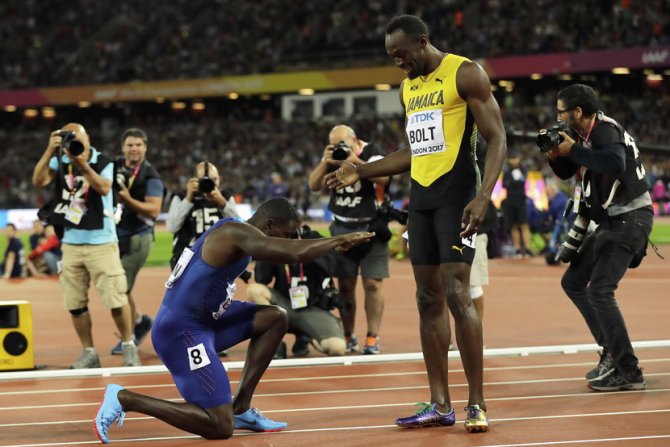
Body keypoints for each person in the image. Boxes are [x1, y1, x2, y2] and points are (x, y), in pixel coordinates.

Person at [326, 15, 506, 432]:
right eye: (392, 57)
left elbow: (498, 138)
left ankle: (476, 403)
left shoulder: (465, 73)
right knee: (427, 298)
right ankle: (440, 404)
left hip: (459, 197)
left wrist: (483, 198)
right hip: (421, 201)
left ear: (422, 42)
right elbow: (412, 152)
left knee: (458, 293)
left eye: (401, 54)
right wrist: (361, 170)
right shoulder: (409, 89)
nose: (398, 63)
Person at [93, 197, 373, 443]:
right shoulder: (233, 232)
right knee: (219, 426)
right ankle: (125, 398)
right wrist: (336, 240)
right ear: (269, 224)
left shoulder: (240, 233)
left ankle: (242, 408)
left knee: (274, 318)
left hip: (208, 321)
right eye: (287, 234)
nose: (289, 239)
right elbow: (293, 252)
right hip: (182, 332)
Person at [544, 83, 653, 391]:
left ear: (578, 112)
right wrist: (555, 155)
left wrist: (574, 151)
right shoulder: (586, 135)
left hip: (630, 218)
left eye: (561, 111)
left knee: (600, 291)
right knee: (573, 282)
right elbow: (568, 171)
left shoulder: (605, 130)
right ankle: (611, 353)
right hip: (614, 220)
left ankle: (628, 370)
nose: (559, 116)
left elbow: (615, 162)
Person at [32, 123, 139, 368]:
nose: (76, 143)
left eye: (79, 138)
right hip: (71, 242)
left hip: (102, 242)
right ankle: (89, 352)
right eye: (70, 139)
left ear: (88, 138)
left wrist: (80, 162)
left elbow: (103, 187)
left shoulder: (104, 162)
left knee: (116, 298)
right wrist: (50, 151)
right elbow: (39, 180)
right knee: (75, 302)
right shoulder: (60, 160)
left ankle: (129, 344)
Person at [308, 124, 390, 355]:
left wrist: (355, 161)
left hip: (372, 227)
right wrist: (326, 162)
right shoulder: (333, 158)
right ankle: (348, 333)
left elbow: (384, 177)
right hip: (342, 228)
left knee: (373, 284)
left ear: (354, 140)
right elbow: (314, 185)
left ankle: (372, 336)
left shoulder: (372, 151)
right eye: (334, 145)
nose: (339, 149)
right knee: (345, 286)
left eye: (342, 144)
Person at [247, 223, 346, 358]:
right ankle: (274, 343)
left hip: (312, 309)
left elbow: (331, 267)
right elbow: (261, 279)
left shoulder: (313, 239)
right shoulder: (276, 244)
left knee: (337, 348)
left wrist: (304, 250)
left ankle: (307, 336)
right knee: (254, 290)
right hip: (283, 306)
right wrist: (267, 250)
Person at [111, 128, 165, 355]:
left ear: (145, 147)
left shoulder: (150, 176)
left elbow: (154, 211)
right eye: (130, 145)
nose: (134, 149)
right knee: (116, 285)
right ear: (123, 147)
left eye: (138, 145)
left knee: (119, 289)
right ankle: (139, 322)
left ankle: (130, 336)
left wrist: (126, 198)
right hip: (115, 235)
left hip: (138, 237)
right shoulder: (112, 167)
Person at [166, 161, 241, 270]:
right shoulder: (181, 197)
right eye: (204, 180)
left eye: (214, 179)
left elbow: (238, 226)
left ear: (220, 178)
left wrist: (222, 203)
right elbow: (172, 227)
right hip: (186, 258)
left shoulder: (225, 197)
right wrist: (188, 199)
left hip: (218, 257)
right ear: (194, 180)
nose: (211, 184)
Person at [502, 151, 532, 257]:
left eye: (516, 158)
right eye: (512, 158)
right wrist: (514, 182)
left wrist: (513, 182)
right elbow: (504, 185)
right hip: (510, 200)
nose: (514, 160)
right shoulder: (507, 171)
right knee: (513, 225)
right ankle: (517, 249)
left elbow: (522, 182)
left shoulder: (523, 169)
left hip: (521, 200)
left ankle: (528, 248)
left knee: (524, 224)